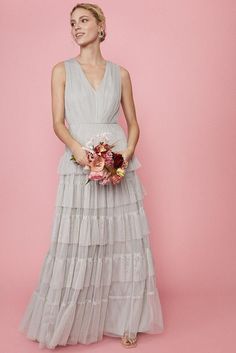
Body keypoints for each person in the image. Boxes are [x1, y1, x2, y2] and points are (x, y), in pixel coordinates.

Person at [18, 2, 164, 349]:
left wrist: (124, 155)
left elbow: (134, 124)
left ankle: (128, 318)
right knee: (81, 239)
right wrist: (79, 152)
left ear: (101, 26)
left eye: (83, 20)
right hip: (79, 159)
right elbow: (58, 122)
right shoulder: (61, 70)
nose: (76, 27)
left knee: (121, 240)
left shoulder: (122, 73)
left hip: (116, 161)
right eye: (72, 23)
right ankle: (70, 318)